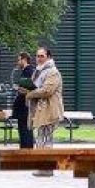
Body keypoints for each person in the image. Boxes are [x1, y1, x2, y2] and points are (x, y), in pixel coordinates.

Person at [25, 46, 64, 174]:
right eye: (37, 56)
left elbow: (47, 91)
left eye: (42, 56)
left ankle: (46, 168)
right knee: (41, 138)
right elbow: (35, 87)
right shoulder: (38, 71)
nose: (39, 59)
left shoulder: (53, 71)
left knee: (46, 139)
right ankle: (43, 166)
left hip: (49, 109)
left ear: (48, 57)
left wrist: (30, 93)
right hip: (39, 109)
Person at [11, 52, 35, 150]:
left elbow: (27, 89)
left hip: (25, 108)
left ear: (24, 59)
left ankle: (26, 152)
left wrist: (18, 88)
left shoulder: (28, 71)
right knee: (24, 130)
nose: (18, 62)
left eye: (19, 60)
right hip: (24, 107)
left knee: (25, 131)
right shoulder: (27, 71)